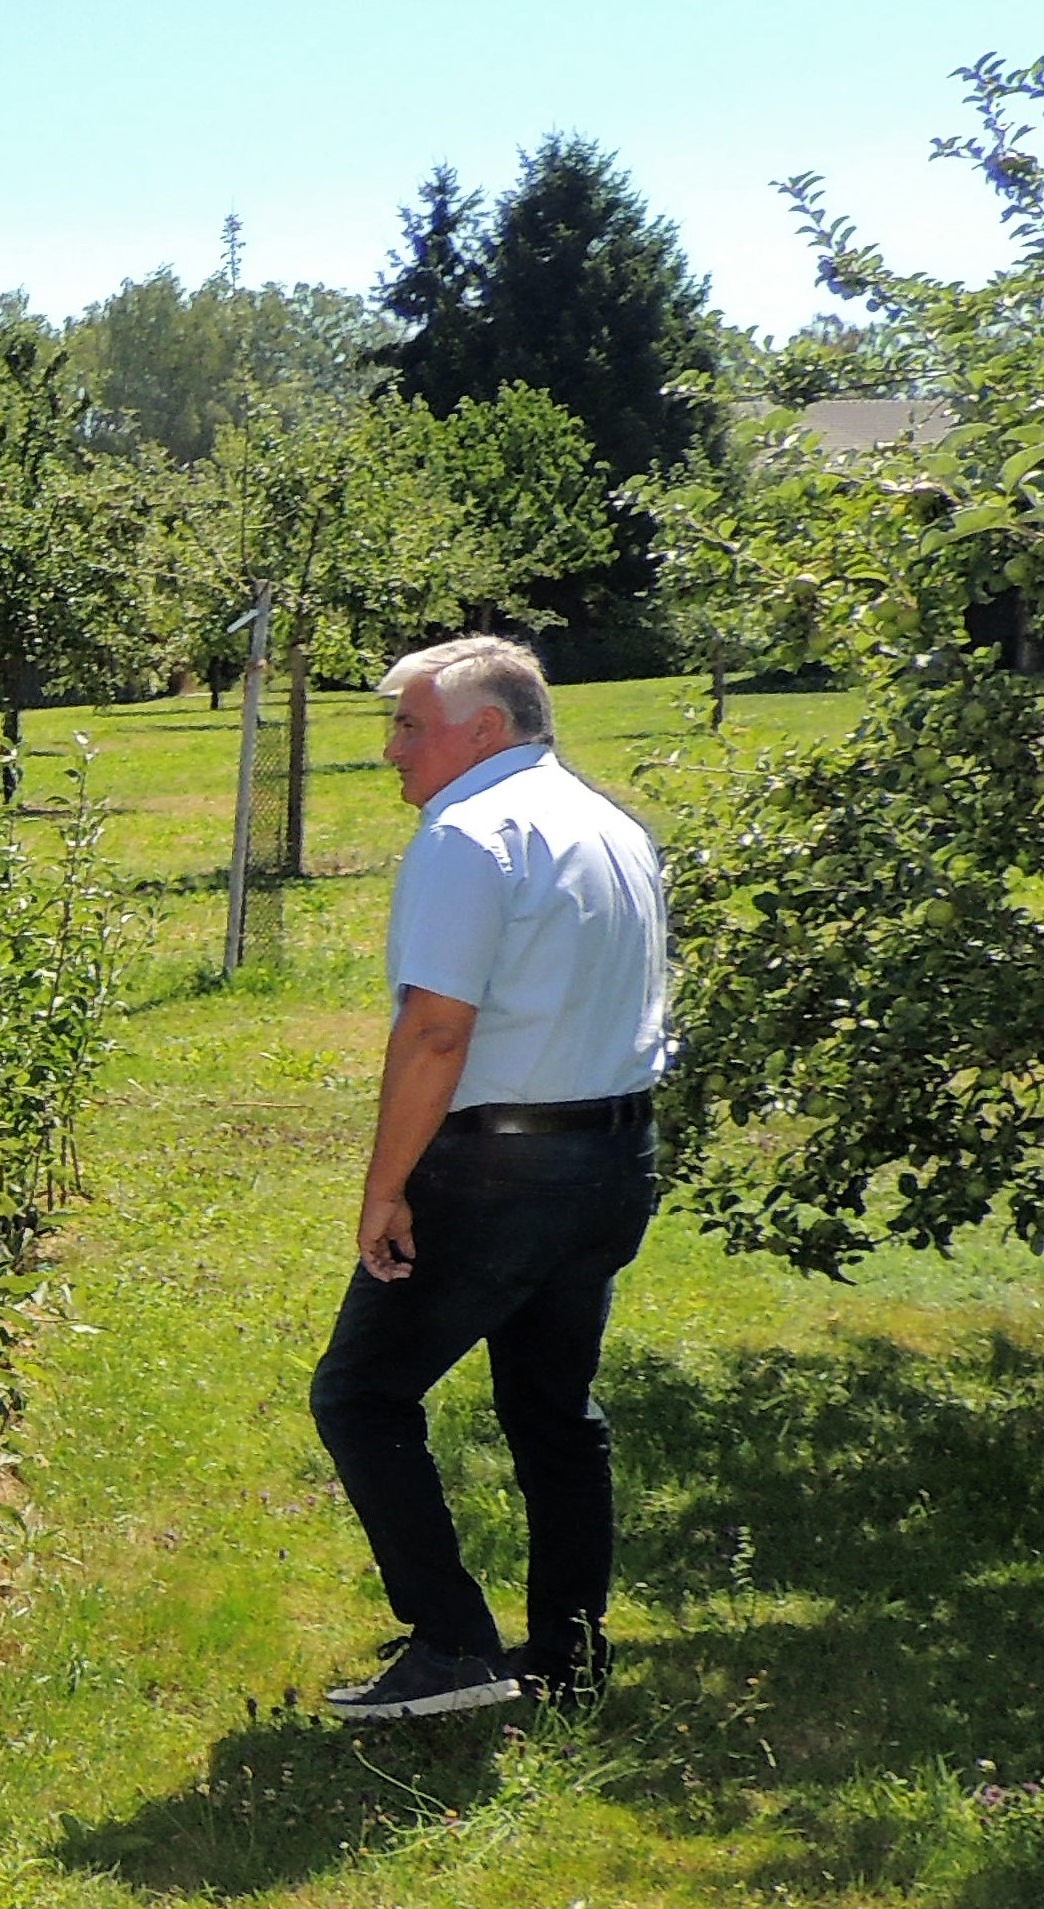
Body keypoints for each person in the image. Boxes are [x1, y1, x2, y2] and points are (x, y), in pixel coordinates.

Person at [309, 636, 669, 1721]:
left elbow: (434, 1032)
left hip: (504, 1171)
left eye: (409, 727)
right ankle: (567, 1657)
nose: (390, 752)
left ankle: (452, 1646)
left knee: (361, 1395)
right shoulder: (611, 824)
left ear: (484, 731)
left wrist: (386, 1186)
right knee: (553, 1410)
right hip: (613, 1156)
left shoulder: (469, 833)